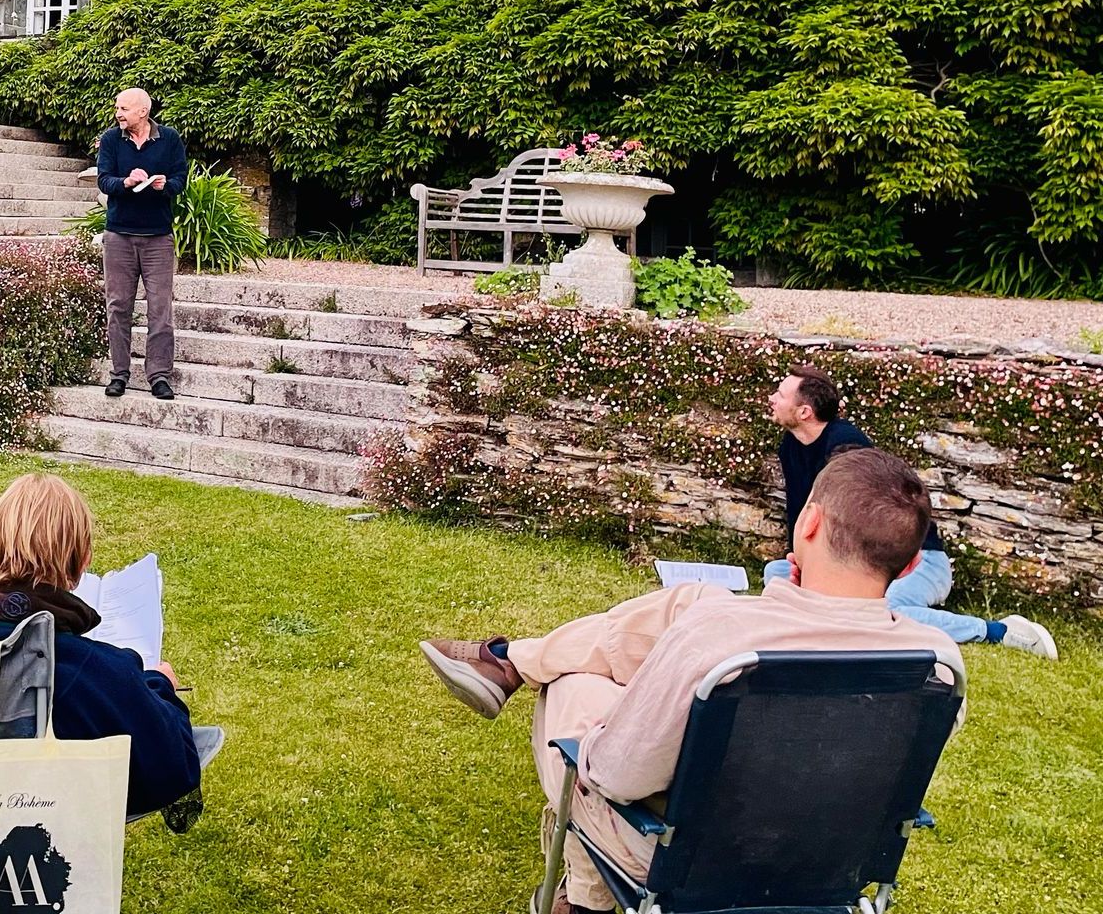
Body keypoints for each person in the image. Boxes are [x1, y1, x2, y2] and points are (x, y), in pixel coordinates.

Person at [420, 450, 968, 914]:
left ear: (810, 524)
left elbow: (618, 776)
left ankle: (584, 898)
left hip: (689, 860)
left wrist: (610, 720)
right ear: (913, 561)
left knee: (575, 689)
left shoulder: (724, 643)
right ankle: (511, 661)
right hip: (827, 862)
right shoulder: (939, 663)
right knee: (692, 600)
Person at [0, 473, 201, 820]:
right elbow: (172, 772)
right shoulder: (100, 673)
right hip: (47, 850)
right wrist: (160, 685)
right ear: (81, 565)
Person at [764, 362, 1056, 657]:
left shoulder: (847, 450)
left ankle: (999, 631)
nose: (771, 398)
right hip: (845, 561)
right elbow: (802, 514)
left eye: (780, 394)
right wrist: (800, 563)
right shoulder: (792, 444)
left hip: (909, 561)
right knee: (776, 575)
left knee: (886, 612)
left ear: (804, 413)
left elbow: (866, 532)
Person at [95, 88, 187, 401]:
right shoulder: (111, 140)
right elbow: (104, 180)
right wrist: (127, 182)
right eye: (117, 107)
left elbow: (180, 181)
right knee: (118, 306)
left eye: (123, 108)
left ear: (142, 111)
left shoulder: (169, 139)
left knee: (160, 310)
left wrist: (163, 185)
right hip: (119, 235)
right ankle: (119, 374)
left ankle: (159, 376)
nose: (118, 113)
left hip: (158, 238)